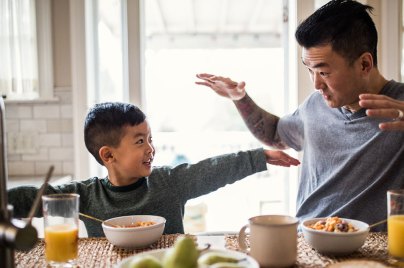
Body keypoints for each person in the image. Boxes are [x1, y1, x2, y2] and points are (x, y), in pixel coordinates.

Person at [195, 0, 404, 230]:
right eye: (309, 70)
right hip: (306, 241)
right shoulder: (315, 104)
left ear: (364, 64)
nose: (316, 84)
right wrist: (240, 99)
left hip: (372, 253)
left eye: (324, 72)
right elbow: (275, 134)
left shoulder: (400, 107)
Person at [8, 102, 299, 237]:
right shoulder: (86, 197)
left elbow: (210, 170)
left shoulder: (168, 182)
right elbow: (38, 196)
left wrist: (257, 157)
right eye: (139, 141)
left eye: (150, 139)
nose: (150, 148)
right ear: (108, 155)